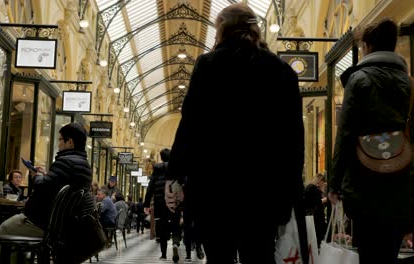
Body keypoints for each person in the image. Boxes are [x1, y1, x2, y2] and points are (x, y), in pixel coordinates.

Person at [164, 3, 306, 264]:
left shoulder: (209, 65)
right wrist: (292, 192)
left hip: (214, 190)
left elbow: (190, 126)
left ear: (221, 30)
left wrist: (174, 174)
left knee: (219, 258)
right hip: (264, 191)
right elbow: (294, 139)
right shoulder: (282, 71)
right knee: (260, 255)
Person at [329, 18, 414, 264]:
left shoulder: (359, 80)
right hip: (400, 183)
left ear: (367, 46)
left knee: (368, 252)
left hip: (365, 183)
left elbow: (345, 134)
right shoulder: (409, 84)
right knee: (389, 252)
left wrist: (334, 184)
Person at [0, 122, 93, 256]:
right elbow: (56, 186)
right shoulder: (84, 166)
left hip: (40, 223)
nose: (59, 144)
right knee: (18, 249)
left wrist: (36, 176)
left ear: (70, 142)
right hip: (61, 226)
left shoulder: (65, 162)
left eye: (60, 140)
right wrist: (46, 176)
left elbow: (42, 188)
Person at [144, 148, 182, 263]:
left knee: (162, 228)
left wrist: (146, 204)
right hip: (174, 203)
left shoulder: (156, 169)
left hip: (160, 203)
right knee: (176, 226)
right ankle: (175, 244)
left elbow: (150, 188)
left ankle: (164, 255)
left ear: (161, 157)